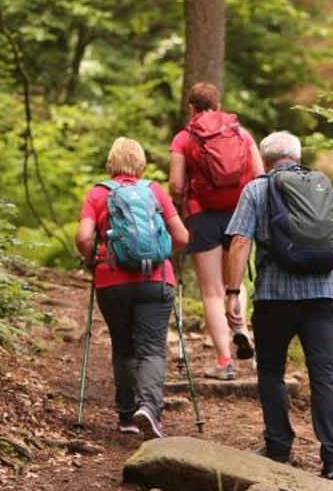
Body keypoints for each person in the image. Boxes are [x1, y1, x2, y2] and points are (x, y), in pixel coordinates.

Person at [223, 131, 333, 481]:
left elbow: (240, 241)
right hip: (322, 295)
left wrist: (232, 291)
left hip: (275, 297)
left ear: (265, 160)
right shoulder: (322, 187)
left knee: (271, 371)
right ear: (298, 157)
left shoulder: (257, 189)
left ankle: (279, 447)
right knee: (324, 372)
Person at [76, 137, 189, 439]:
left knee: (123, 347)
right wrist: (161, 253)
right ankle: (149, 408)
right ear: (141, 163)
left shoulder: (98, 194)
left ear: (111, 162)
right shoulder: (154, 191)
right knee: (152, 348)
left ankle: (127, 415)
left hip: (111, 281)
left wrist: (91, 260)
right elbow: (182, 236)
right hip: (155, 279)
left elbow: (85, 237)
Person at [169, 82, 265, 380]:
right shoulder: (240, 132)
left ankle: (224, 362)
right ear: (218, 105)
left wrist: (180, 203)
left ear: (191, 108)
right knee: (234, 284)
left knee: (211, 292)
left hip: (204, 216)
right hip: (240, 213)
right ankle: (241, 328)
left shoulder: (184, 138)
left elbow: (174, 184)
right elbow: (261, 174)